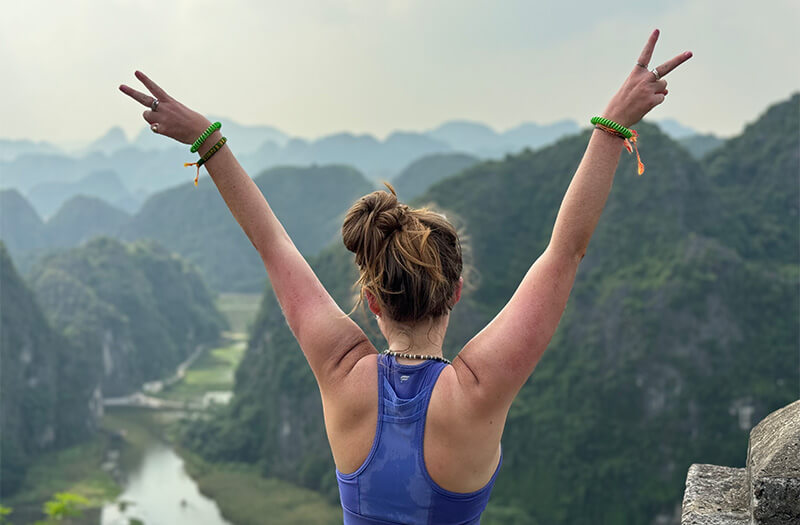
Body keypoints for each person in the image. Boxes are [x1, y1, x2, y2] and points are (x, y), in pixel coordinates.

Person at [120, 29, 691, 524]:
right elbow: (564, 252)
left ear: (370, 299)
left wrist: (206, 139)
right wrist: (612, 124)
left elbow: (273, 246)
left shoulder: (342, 375)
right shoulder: (477, 392)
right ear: (457, 292)